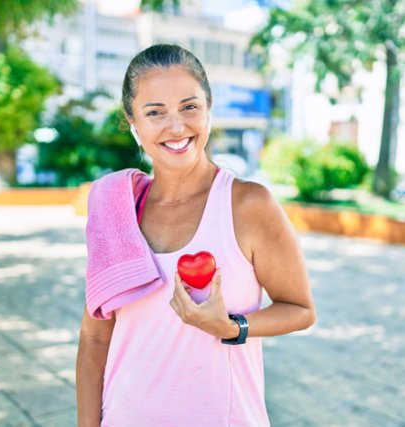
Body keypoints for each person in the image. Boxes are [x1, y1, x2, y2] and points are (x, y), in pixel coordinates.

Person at [76, 44, 315, 427]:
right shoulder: (115, 209)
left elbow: (301, 310)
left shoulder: (248, 205)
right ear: (132, 121)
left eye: (190, 107)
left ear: (208, 109)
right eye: (155, 113)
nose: (176, 127)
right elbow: (94, 339)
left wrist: (231, 328)